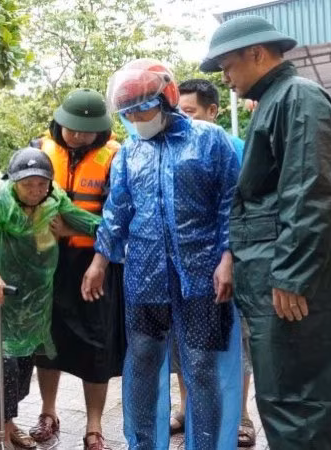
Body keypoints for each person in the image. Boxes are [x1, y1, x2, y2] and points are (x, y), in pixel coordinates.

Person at [201, 15, 331, 449]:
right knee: (282, 401)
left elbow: (313, 190)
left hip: (291, 288)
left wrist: (291, 274)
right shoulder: (276, 100)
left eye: (228, 66)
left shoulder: (298, 97)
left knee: (297, 404)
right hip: (274, 283)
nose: (225, 78)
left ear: (257, 53)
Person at [82, 58, 242, 450]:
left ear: (167, 97)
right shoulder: (130, 152)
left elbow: (232, 203)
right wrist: (100, 260)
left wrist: (228, 258)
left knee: (202, 367)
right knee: (143, 362)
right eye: (129, 112)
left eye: (143, 107)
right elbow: (117, 210)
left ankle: (205, 445)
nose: (137, 118)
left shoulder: (210, 140)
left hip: (203, 274)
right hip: (145, 275)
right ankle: (143, 444)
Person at [0, 147, 101, 449]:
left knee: (22, 368)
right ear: (14, 181)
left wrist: (110, 233)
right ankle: (4, 429)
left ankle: (7, 422)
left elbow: (84, 222)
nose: (35, 190)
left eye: (42, 183)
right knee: (1, 366)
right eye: (28, 183)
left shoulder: (54, 200)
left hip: (31, 302)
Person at [28, 89, 126, 450]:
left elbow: (122, 216)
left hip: (94, 265)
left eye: (86, 130)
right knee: (46, 341)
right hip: (47, 263)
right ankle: (48, 413)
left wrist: (80, 230)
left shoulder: (116, 157)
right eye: (71, 128)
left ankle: (94, 427)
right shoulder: (39, 149)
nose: (77, 136)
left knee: (95, 344)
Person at [171, 78, 254, 446]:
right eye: (177, 111)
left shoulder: (235, 148)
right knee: (185, 342)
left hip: (228, 261)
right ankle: (189, 409)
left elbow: (241, 208)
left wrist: (230, 257)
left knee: (233, 340)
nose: (181, 119)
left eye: (188, 112)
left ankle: (241, 415)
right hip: (182, 267)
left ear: (212, 111)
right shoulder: (171, 149)